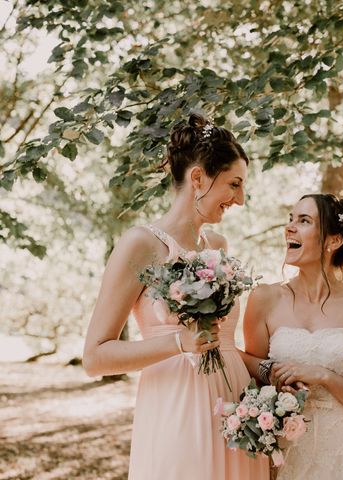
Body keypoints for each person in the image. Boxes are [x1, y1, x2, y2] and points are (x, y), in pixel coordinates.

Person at [82, 113, 269, 480]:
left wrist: (266, 372)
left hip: (235, 407)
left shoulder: (218, 246)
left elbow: (225, 344)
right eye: (234, 184)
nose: (241, 199)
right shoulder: (141, 244)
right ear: (198, 178)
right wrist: (180, 342)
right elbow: (95, 357)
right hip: (178, 408)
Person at [242, 193, 343, 480]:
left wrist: (324, 375)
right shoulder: (264, 298)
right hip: (287, 453)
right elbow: (250, 368)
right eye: (290, 219)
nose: (290, 228)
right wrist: (272, 374)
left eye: (304, 221)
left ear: (334, 241)